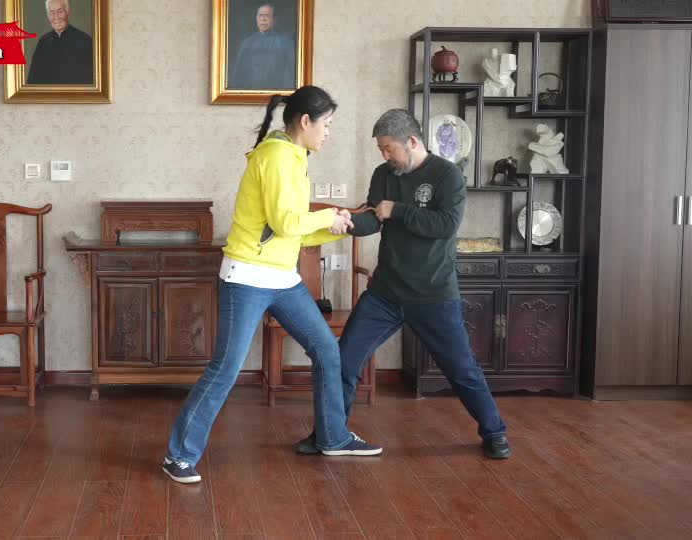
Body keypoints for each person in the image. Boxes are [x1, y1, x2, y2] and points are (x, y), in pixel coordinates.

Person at [162, 86, 382, 484]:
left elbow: (290, 229)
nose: (329, 132)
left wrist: (338, 226)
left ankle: (333, 437)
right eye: (327, 124)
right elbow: (286, 222)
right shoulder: (278, 156)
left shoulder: (294, 156)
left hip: (282, 278)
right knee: (226, 369)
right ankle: (178, 456)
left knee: (326, 350)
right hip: (248, 277)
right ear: (305, 122)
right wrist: (330, 215)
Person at [294, 109, 512, 459]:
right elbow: (373, 219)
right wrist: (346, 221)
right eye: (381, 149)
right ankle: (329, 434)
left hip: (433, 294)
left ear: (412, 141)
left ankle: (495, 432)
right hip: (385, 293)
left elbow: (445, 225)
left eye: (389, 148)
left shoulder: (447, 175)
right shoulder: (384, 174)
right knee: (344, 361)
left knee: (461, 369)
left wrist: (397, 210)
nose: (385, 155)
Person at [229, 3, 295, 89]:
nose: (263, 19)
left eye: (267, 16)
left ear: (274, 20)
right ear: (256, 18)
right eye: (260, 15)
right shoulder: (248, 43)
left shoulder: (286, 43)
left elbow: (290, 75)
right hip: (251, 92)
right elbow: (239, 74)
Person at [27, 0, 93, 85]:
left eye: (60, 11)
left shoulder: (84, 40)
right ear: (48, 15)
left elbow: (90, 80)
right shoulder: (43, 42)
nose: (56, 17)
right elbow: (33, 79)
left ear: (67, 12)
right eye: (52, 13)